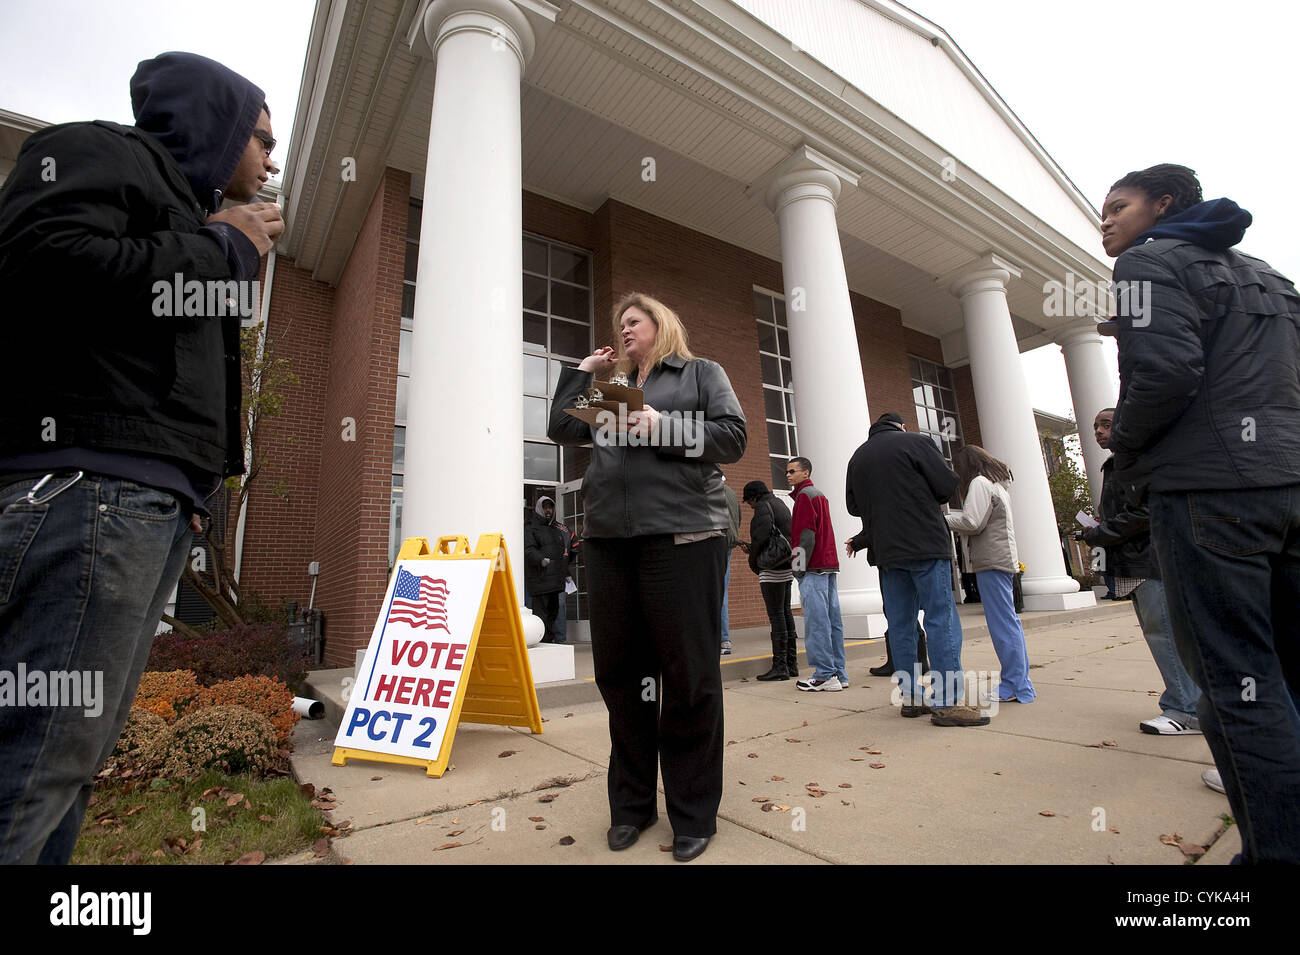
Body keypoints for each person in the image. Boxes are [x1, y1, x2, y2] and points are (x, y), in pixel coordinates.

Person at [0, 52, 282, 864]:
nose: (269, 160)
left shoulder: (193, 214)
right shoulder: (94, 153)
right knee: (33, 765)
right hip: (88, 490)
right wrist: (218, 252)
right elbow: (43, 271)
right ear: (219, 123)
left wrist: (198, 495)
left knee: (71, 764)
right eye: (262, 138)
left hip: (147, 506)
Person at [1101, 162, 1300, 863]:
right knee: (1281, 676)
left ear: (1163, 204)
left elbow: (1164, 373)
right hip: (1288, 489)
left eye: (1119, 206)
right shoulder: (1269, 275)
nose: (1107, 220)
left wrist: (1123, 451)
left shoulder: (1146, 263)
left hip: (1211, 499)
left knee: (1237, 684)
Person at [547, 291, 745, 862]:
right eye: (620, 324)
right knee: (622, 677)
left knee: (687, 676)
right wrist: (581, 373)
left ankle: (693, 812)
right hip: (611, 542)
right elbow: (563, 429)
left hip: (683, 537)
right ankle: (631, 807)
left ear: (661, 324)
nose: (625, 329)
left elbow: (732, 439)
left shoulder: (700, 374)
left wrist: (663, 424)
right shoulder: (612, 393)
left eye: (634, 321)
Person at [844, 412, 989, 726]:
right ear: (902, 426)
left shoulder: (858, 457)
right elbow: (947, 486)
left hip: (886, 553)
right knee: (940, 619)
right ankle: (948, 702)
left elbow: (854, 507)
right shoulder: (916, 442)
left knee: (900, 625)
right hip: (924, 545)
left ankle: (911, 698)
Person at [1082, 408, 1201, 734]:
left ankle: (1186, 711)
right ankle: (1190, 704)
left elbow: (1145, 512)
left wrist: (1099, 534)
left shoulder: (1136, 459)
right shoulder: (1116, 464)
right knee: (1164, 634)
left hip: (1151, 561)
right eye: (1096, 427)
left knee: (1164, 634)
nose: (1099, 432)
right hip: (1138, 561)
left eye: (1106, 424)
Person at [946, 445, 1036, 704]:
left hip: (992, 562)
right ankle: (1020, 684)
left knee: (1002, 625)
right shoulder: (998, 486)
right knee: (1009, 623)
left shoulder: (979, 484)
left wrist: (943, 520)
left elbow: (973, 522)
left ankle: (1015, 685)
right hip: (1002, 560)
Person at [787, 457, 849, 691]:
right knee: (833, 622)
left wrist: (798, 568)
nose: (788, 475)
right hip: (828, 565)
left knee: (817, 623)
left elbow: (805, 535)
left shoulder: (804, 497)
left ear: (806, 473)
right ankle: (839, 674)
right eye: (787, 471)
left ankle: (824, 674)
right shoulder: (819, 495)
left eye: (793, 471)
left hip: (813, 568)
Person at [740, 481, 797, 681]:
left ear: (754, 497)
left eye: (749, 501)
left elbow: (761, 538)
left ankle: (780, 667)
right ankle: (792, 664)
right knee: (786, 611)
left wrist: (753, 560)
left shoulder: (763, 507)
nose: (750, 506)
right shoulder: (779, 504)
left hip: (771, 568)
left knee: (776, 615)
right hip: (786, 564)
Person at [524, 495, 578, 644]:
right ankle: (543, 641)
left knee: (554, 612)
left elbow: (572, 547)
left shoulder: (558, 528)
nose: (548, 510)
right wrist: (541, 560)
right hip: (540, 580)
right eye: (545, 507)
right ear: (539, 508)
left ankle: (553, 640)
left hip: (556, 581)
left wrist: (564, 568)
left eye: (550, 507)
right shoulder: (530, 527)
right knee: (539, 613)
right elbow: (529, 549)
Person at [720, 477, 740, 655]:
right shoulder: (732, 493)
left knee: (716, 593)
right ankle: (724, 640)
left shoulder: (713, 491)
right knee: (722, 591)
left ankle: (723, 639)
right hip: (730, 543)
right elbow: (738, 518)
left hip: (716, 544)